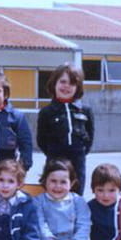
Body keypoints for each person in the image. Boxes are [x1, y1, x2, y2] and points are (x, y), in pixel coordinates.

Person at [36, 64, 95, 195]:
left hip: (77, 161)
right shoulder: (47, 112)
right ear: (54, 83)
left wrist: (79, 152)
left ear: (78, 87)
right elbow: (41, 140)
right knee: (54, 194)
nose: (66, 86)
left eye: (72, 83)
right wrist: (54, 152)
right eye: (63, 82)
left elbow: (89, 137)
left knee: (76, 195)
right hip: (54, 160)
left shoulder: (85, 111)